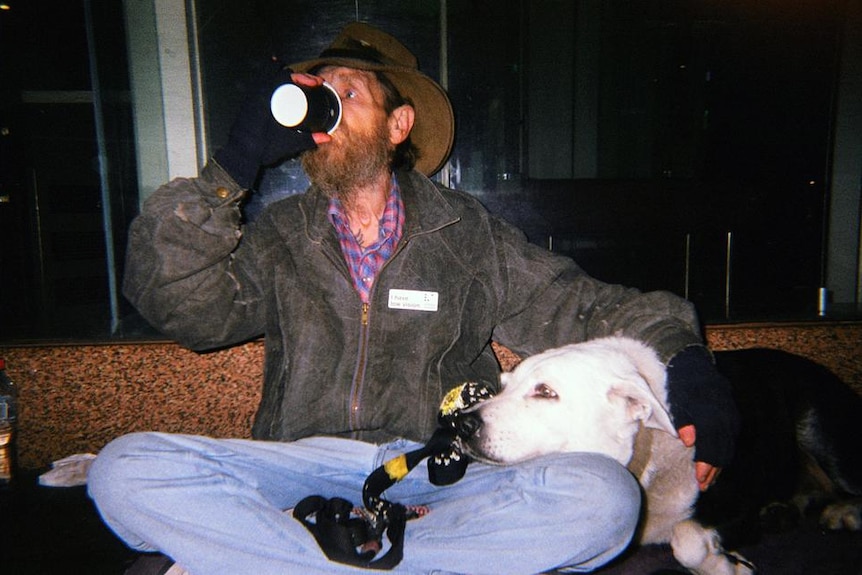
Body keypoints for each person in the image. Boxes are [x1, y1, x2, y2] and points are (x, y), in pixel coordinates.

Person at [88, 22, 739, 575]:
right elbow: (180, 306)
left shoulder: (467, 234)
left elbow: (585, 306)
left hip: (442, 466)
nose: (326, 111)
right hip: (301, 461)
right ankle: (385, 550)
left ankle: (310, 550)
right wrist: (230, 167)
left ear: (400, 123)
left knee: (605, 501)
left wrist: (684, 360)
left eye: (348, 92)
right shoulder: (280, 237)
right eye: (317, 96)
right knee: (122, 470)